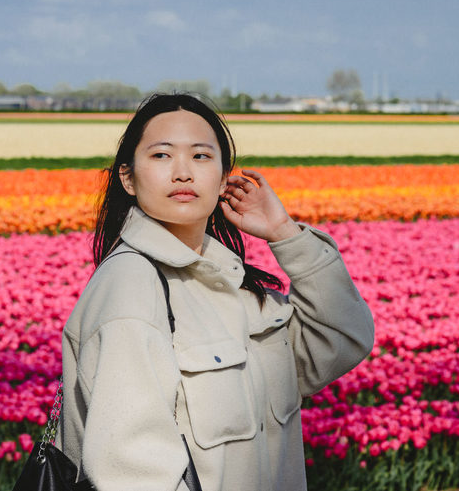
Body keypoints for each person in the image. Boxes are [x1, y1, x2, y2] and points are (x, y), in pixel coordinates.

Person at [58, 92, 375, 490]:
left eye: (201, 156)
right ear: (128, 178)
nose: (183, 173)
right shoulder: (131, 290)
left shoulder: (233, 283)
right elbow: (134, 475)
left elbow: (342, 339)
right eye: (161, 156)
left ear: (225, 176)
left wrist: (285, 235)